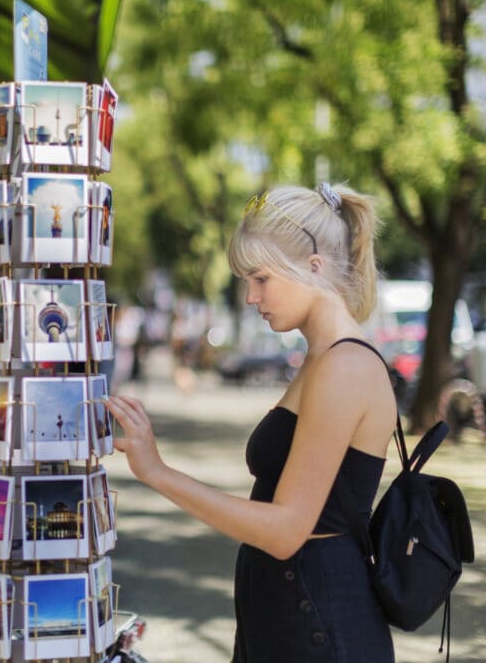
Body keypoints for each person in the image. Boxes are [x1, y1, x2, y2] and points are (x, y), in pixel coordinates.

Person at [105, 183, 397, 662]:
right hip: (294, 613)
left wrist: (157, 472)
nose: (249, 296)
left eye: (261, 278)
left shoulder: (344, 365)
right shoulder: (323, 358)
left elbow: (285, 531)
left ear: (314, 268)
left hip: (318, 623)